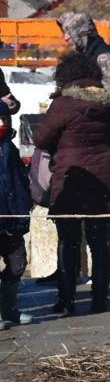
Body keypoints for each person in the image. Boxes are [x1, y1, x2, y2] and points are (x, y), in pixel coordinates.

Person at [34, 52, 110, 317]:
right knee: (101, 242)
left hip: (71, 179)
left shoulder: (64, 103)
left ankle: (67, 299)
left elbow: (40, 138)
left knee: (69, 241)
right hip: (103, 178)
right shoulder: (109, 103)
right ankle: (99, 300)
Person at [0, 106, 33, 330]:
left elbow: (19, 184)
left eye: (3, 119)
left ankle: (9, 309)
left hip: (12, 220)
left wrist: (23, 212)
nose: (1, 124)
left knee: (17, 263)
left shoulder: (9, 149)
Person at [57, 12, 110, 96]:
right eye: (65, 32)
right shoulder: (82, 55)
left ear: (82, 33)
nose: (66, 38)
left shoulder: (104, 58)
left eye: (70, 32)